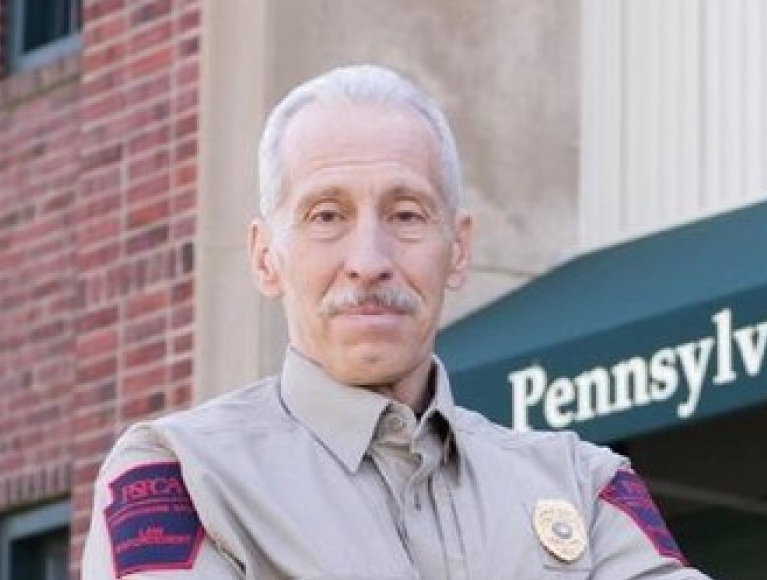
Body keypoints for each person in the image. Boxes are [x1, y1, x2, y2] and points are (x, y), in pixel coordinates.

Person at [82, 64, 711, 579]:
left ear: (457, 249)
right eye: (326, 216)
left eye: (407, 214)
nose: (368, 261)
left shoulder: (583, 484)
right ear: (264, 257)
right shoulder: (179, 476)